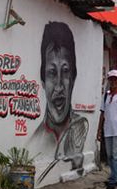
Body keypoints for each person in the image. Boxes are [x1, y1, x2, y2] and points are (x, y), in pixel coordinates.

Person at [32, 21, 89, 176]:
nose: (58, 87)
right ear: (42, 80)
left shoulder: (81, 127)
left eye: (65, 71)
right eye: (51, 72)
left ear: (74, 77)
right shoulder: (34, 141)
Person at [97, 70, 117, 189]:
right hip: (108, 129)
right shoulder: (106, 96)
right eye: (111, 79)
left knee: (116, 155)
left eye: (116, 79)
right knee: (109, 155)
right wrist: (99, 130)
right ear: (109, 81)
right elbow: (102, 113)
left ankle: (113, 179)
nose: (113, 82)